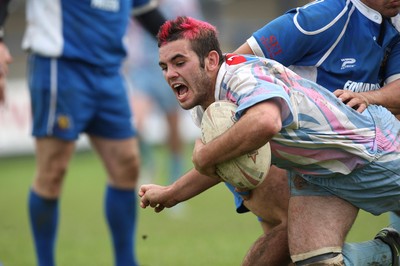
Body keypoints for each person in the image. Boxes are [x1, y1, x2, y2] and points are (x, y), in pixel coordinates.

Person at [139, 16, 400, 265]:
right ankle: (393, 250)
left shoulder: (239, 76)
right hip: (324, 177)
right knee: (316, 261)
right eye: (164, 66)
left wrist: (205, 156)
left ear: (210, 60)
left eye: (179, 62)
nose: (170, 74)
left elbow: (265, 121)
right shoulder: (204, 104)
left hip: (375, 152)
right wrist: (172, 193)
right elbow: (222, 159)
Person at [0, 1, 166, 266]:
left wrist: (190, 40)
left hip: (110, 71)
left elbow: (145, 11)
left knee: (127, 164)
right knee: (52, 170)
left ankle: (126, 262)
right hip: (60, 65)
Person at [124, 0, 203, 185]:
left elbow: (198, 31)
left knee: (173, 129)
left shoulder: (183, 4)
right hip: (143, 69)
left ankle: (175, 179)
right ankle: (148, 162)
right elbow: (127, 29)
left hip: (173, 70)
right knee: (133, 124)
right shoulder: (138, 2)